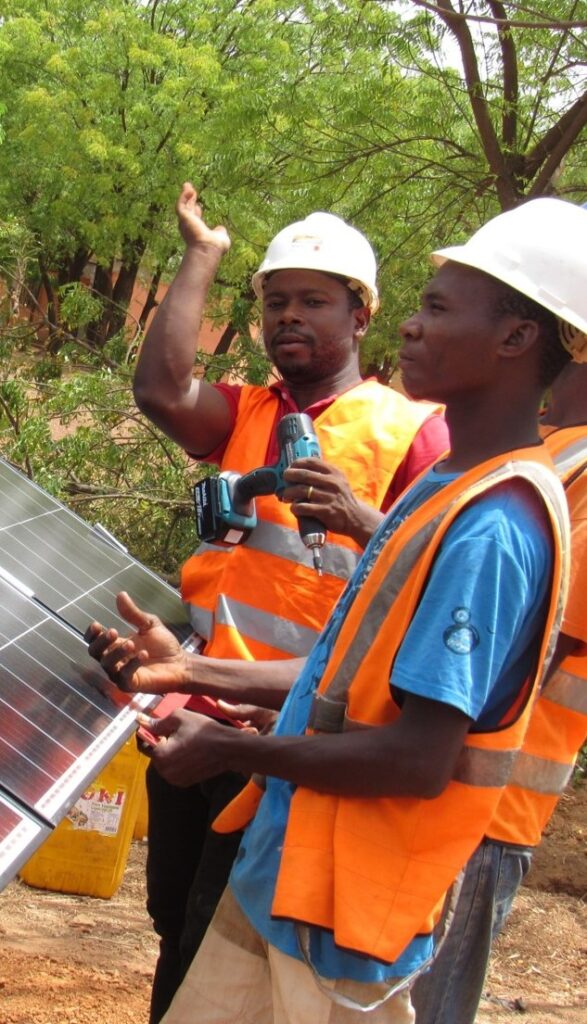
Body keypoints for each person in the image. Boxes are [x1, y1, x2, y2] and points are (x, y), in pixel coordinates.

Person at [87, 197, 587, 1024]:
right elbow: (351, 676)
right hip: (296, 843)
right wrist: (192, 670)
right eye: (273, 299)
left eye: (435, 307)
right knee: (180, 946)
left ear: (515, 338)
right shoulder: (448, 486)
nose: (414, 329)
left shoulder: (488, 517)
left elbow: (418, 755)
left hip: (357, 888)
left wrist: (237, 744)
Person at [130, 182, 449, 1022]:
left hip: (290, 741)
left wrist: (360, 517)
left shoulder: (406, 430)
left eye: (313, 301)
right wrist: (202, 258)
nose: (288, 319)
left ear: (360, 317)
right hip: (192, 712)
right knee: (177, 926)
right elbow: (163, 393)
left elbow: (435, 575)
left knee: (237, 949)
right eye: (275, 302)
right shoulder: (248, 412)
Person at [412, 359, 587, 1024]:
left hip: (484, 805)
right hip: (430, 781)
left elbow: (531, 650)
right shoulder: (542, 445)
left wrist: (404, 746)